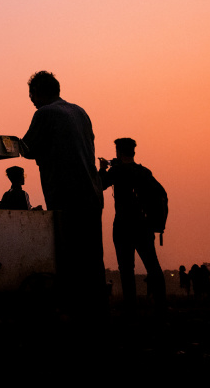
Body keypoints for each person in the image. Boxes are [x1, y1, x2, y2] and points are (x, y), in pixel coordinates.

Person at [19, 71, 105, 311]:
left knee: (70, 257)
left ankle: (73, 311)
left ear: (37, 93)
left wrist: (9, 142)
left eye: (32, 96)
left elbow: (27, 148)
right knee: (93, 258)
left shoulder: (45, 113)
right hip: (92, 193)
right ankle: (97, 311)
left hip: (66, 195)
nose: (32, 101)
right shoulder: (80, 112)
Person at [99, 138, 166, 308]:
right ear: (134, 152)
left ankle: (130, 308)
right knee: (153, 266)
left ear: (118, 152)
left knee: (126, 269)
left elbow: (99, 185)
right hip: (144, 225)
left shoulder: (116, 171)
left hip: (123, 225)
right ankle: (161, 305)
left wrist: (102, 170)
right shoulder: (144, 172)